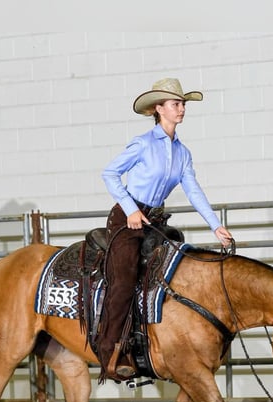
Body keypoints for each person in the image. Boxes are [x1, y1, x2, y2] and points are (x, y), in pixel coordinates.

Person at [97, 77, 233, 381]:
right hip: (127, 218)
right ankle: (110, 351)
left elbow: (193, 190)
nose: (182, 108)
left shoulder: (182, 153)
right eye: (176, 104)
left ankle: (156, 343)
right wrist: (131, 210)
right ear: (159, 109)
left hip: (155, 221)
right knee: (125, 279)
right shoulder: (143, 144)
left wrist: (216, 226)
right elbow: (110, 174)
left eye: (183, 104)